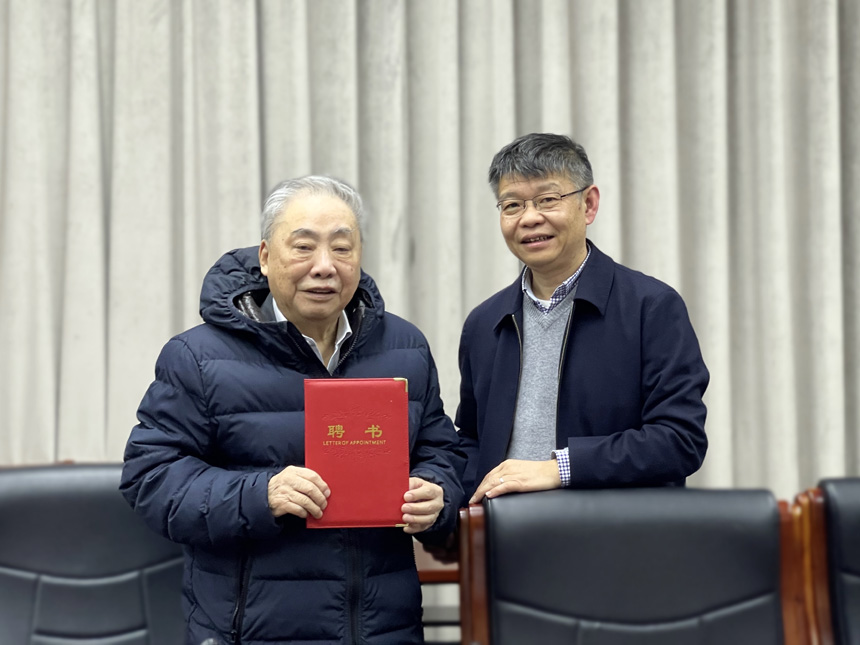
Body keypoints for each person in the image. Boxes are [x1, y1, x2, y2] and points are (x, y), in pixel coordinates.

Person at [120, 175, 464, 645]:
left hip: (382, 628)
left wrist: (437, 493)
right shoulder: (198, 357)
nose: (324, 266)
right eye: (303, 247)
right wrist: (259, 494)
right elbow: (150, 478)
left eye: (342, 248)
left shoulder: (404, 347)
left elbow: (441, 450)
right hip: (252, 630)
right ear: (265, 257)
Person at [457, 132, 708, 505]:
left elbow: (679, 440)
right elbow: (471, 441)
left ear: (588, 205)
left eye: (547, 200)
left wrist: (561, 468)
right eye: (512, 205)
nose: (529, 218)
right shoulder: (485, 323)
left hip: (611, 534)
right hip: (505, 535)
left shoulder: (651, 308)